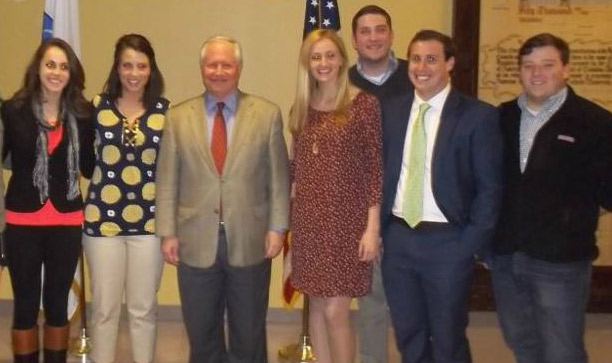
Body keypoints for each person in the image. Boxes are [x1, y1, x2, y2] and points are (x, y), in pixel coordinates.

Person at [155, 35, 290, 363]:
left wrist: (277, 229)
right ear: (202, 68)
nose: (218, 71)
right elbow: (167, 181)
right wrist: (168, 232)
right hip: (194, 239)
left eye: (226, 64)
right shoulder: (177, 117)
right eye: (211, 64)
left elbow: (278, 179)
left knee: (249, 331)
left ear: (239, 68)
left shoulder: (267, 114)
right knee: (201, 332)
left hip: (251, 238)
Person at [380, 30, 503, 363]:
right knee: (409, 334)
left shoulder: (478, 116)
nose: (422, 67)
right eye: (416, 58)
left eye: (431, 59)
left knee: (448, 336)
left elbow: (489, 190)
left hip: (449, 241)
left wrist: (468, 246)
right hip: (399, 239)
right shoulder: (391, 111)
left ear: (450, 63)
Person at [490, 33, 612, 363]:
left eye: (547, 65)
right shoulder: (500, 119)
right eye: (528, 65)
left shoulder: (595, 123)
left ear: (566, 69)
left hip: (560, 264)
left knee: (562, 350)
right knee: (520, 341)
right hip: (505, 258)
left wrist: (569, 220)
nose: (536, 73)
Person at [289, 29, 382, 363]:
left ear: (343, 58)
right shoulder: (301, 108)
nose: (323, 63)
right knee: (314, 302)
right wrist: (290, 233)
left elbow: (375, 170)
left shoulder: (363, 104)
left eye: (330, 55)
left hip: (346, 225)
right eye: (316, 57)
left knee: (335, 311)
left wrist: (372, 228)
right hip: (308, 223)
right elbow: (295, 172)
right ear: (307, 63)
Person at [1, 38, 95, 363]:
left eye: (64, 66)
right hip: (22, 221)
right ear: (37, 68)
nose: (56, 72)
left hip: (66, 221)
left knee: (56, 303)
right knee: (25, 304)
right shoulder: (13, 111)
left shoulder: (83, 114)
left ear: (72, 73)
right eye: (50, 64)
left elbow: (89, 167)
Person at [82, 34, 168, 363]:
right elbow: (85, 164)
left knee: (143, 309)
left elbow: (170, 169)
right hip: (102, 224)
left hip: (149, 224)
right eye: (127, 65)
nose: (134, 73)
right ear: (117, 68)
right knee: (104, 310)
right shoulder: (95, 107)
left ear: (151, 69)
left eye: (141, 66)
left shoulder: (166, 111)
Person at [348, 6, 412, 363]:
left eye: (380, 29)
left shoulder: (415, 76)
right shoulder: (339, 83)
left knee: (410, 303)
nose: (373, 37)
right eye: (365, 31)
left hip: (410, 210)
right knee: (371, 301)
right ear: (355, 39)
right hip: (361, 212)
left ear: (391, 34)